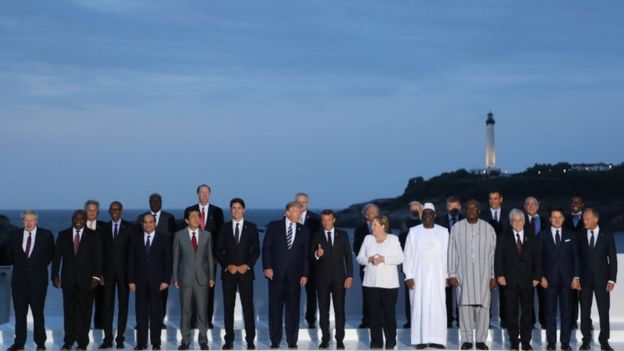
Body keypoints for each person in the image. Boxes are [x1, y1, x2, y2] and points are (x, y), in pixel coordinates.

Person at [448, 199, 497, 351]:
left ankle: (481, 340)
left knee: (483, 308)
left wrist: (493, 276)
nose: (470, 211)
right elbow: (452, 252)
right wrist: (452, 274)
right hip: (463, 275)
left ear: (479, 210)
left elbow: (492, 254)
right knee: (464, 308)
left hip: (484, 275)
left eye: (474, 209)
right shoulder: (457, 228)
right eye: (468, 209)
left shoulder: (488, 228)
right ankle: (467, 340)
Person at [52, 210, 103, 350]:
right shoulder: (63, 235)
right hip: (68, 281)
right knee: (69, 312)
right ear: (72, 219)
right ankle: (68, 342)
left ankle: (82, 343)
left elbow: (99, 258)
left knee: (84, 313)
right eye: (76, 218)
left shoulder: (94, 236)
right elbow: (57, 258)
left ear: (86, 219)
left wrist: (96, 277)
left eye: (81, 218)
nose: (78, 220)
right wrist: (55, 275)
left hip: (87, 282)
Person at [262, 201, 310, 349]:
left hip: (295, 276)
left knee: (293, 310)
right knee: (275, 309)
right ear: (287, 212)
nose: (298, 214)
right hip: (275, 274)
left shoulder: (304, 230)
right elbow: (266, 248)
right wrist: (267, 267)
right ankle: (275, 340)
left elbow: (306, 255)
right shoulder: (274, 226)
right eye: (295, 211)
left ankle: (292, 341)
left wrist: (305, 274)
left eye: (300, 212)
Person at [215, 198, 260, 350]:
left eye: (239, 208)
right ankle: (229, 340)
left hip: (245, 273)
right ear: (230, 210)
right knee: (228, 307)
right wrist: (228, 265)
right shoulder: (224, 228)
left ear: (244, 209)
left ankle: (250, 340)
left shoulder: (252, 227)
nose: (236, 210)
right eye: (233, 208)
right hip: (229, 273)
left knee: (248, 307)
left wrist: (247, 265)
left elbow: (256, 251)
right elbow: (218, 250)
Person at [6, 210, 55, 351]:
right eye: (26, 220)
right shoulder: (14, 235)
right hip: (19, 282)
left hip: (38, 282)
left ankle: (40, 343)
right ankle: (19, 343)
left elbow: (50, 255)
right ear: (22, 221)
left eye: (31, 220)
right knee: (20, 314)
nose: (29, 223)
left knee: (38, 313)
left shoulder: (46, 235)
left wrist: (36, 267)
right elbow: (9, 255)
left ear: (36, 220)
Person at [403, 203, 448, 349]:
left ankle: (438, 339)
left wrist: (447, 276)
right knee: (419, 307)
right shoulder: (413, 232)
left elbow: (448, 255)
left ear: (435, 215)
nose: (427, 215)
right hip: (418, 276)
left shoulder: (444, 232)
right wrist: (408, 276)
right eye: (425, 213)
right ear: (422, 216)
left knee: (438, 307)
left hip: (438, 277)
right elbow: (407, 255)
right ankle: (420, 339)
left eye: (430, 213)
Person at [496, 209, 542, 351]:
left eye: (519, 220)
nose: (517, 223)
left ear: (524, 221)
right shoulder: (504, 237)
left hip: (528, 281)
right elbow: (498, 258)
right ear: (510, 222)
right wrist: (500, 275)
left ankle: (526, 343)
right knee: (511, 313)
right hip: (509, 281)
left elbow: (538, 259)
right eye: (514, 220)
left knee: (527, 314)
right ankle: (514, 343)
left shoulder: (532, 237)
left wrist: (537, 277)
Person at [357, 215, 404, 350]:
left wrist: (384, 259)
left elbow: (401, 257)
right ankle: (376, 342)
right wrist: (369, 259)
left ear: (383, 226)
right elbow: (360, 257)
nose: (372, 227)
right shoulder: (368, 239)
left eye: (375, 225)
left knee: (389, 313)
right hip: (370, 283)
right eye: (372, 225)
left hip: (389, 284)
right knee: (374, 313)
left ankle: (390, 341)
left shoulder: (393, 239)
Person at [128, 213, 172, 350]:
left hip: (157, 282)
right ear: (142, 224)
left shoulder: (164, 239)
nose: (148, 224)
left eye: (151, 222)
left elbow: (168, 262)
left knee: (156, 312)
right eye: (145, 222)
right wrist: (130, 280)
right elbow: (130, 261)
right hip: (139, 281)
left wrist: (166, 280)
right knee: (140, 312)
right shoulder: (135, 239)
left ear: (155, 223)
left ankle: (155, 342)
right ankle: (141, 343)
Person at [310, 210, 353, 350]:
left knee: (340, 310)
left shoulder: (343, 235)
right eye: (323, 220)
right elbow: (311, 257)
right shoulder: (316, 236)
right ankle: (325, 339)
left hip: (340, 279)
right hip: (322, 280)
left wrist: (349, 276)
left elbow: (348, 257)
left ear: (333, 220)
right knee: (323, 311)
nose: (325, 223)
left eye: (328, 220)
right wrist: (317, 254)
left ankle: (340, 340)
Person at [172, 209, 214, 350]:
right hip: (185, 278)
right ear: (186, 220)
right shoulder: (179, 235)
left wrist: (211, 277)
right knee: (186, 311)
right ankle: (185, 340)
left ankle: (203, 340)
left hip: (202, 278)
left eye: (198, 216)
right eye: (193, 216)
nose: (196, 218)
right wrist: (175, 277)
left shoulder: (207, 235)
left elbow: (209, 258)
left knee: (202, 311)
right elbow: (176, 258)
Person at [539, 208, 580, 351]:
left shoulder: (571, 235)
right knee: (549, 313)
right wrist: (541, 276)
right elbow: (538, 259)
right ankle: (551, 343)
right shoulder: (542, 236)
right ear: (549, 219)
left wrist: (576, 277)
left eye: (559, 217)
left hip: (568, 280)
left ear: (563, 219)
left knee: (567, 313)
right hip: (548, 281)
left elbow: (576, 257)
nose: (556, 220)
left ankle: (565, 343)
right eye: (554, 217)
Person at [184, 184, 224, 329]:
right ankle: (193, 319)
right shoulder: (189, 210)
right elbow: (185, 233)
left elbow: (220, 235)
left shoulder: (217, 211)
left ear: (210, 194)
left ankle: (207, 319)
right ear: (197, 194)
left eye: (207, 192)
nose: (204, 195)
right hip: (192, 257)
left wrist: (216, 256)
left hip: (210, 258)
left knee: (209, 289)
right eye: (202, 192)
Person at [578, 208, 617, 351]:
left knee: (603, 311)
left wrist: (612, 279)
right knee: (584, 312)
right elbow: (577, 258)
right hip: (584, 280)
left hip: (603, 280)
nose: (584, 221)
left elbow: (612, 258)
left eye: (587, 219)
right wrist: (576, 277)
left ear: (596, 219)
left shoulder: (606, 234)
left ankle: (604, 341)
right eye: (584, 219)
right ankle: (586, 340)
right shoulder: (580, 234)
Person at [138, 193, 176, 329]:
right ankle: (144, 321)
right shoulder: (141, 218)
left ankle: (159, 321)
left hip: (162, 264)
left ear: (162, 202)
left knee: (162, 296)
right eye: (152, 201)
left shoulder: (169, 218)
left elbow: (173, 240)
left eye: (157, 201)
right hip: (145, 265)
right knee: (144, 297)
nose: (155, 203)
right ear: (149, 203)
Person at [100, 202, 135, 349]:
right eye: (112, 209)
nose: (115, 211)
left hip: (124, 274)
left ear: (122, 211)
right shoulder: (103, 228)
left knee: (123, 306)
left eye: (118, 209)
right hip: (107, 274)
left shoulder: (130, 228)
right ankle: (107, 339)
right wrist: (99, 273)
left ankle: (120, 338)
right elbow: (100, 253)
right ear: (109, 211)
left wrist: (132, 276)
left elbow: (132, 253)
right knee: (106, 306)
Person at [480, 189, 509, 327]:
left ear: (501, 199)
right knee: (486, 291)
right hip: (487, 256)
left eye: (496, 198)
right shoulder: (483, 215)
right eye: (490, 198)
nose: (493, 201)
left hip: (504, 258)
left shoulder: (508, 215)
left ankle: (505, 319)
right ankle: (487, 320)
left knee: (505, 291)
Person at [295, 192, 322, 329]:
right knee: (292, 292)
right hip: (292, 262)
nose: (301, 204)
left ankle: (311, 319)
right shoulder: (289, 217)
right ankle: (292, 318)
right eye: (298, 202)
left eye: (304, 202)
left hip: (311, 262)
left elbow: (319, 241)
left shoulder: (316, 219)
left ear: (308, 203)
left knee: (311, 292)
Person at [436, 196, 463, 329]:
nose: (453, 209)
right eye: (450, 207)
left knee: (461, 293)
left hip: (461, 263)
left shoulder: (466, 220)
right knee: (445, 294)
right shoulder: (439, 222)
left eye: (455, 206)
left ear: (460, 207)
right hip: (444, 263)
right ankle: (446, 321)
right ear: (447, 207)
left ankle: (460, 320)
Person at [353, 203, 380, 329]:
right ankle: (367, 319)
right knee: (367, 294)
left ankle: (380, 320)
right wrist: (368, 258)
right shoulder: (360, 229)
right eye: (372, 212)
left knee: (381, 294)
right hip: (366, 266)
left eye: (376, 212)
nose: (375, 214)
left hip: (381, 267)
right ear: (366, 215)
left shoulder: (384, 227)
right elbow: (356, 248)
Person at [398, 201, 422, 329]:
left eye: (417, 210)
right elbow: (402, 242)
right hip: (409, 264)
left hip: (424, 265)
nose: (414, 212)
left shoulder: (427, 222)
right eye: (412, 210)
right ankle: (410, 320)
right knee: (409, 295)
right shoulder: (405, 223)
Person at [84, 200, 107, 330]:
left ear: (97, 212)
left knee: (101, 302)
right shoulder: (79, 226)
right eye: (89, 210)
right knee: (83, 303)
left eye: (94, 210)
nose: (91, 212)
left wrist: (101, 273)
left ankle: (99, 327)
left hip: (100, 273)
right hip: (83, 272)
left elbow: (107, 251)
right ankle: (83, 328)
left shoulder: (104, 227)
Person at [564, 196, 584, 329]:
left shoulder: (588, 218)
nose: (575, 204)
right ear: (570, 204)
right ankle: (572, 321)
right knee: (571, 295)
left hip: (586, 263)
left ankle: (585, 322)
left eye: (578, 202)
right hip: (569, 263)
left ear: (582, 204)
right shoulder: (564, 220)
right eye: (573, 202)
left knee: (584, 296)